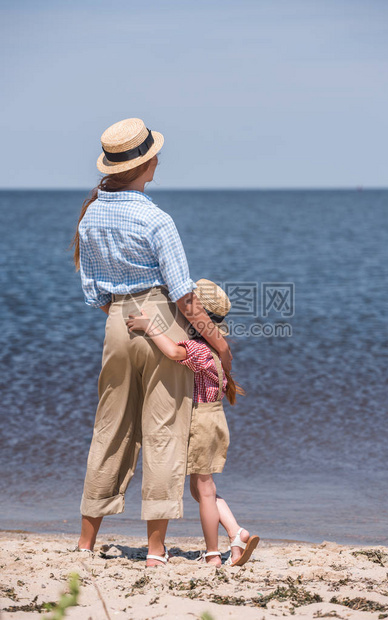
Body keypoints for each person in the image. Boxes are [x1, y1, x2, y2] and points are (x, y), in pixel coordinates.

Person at [70, 118, 232, 567]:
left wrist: (125, 318)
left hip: (118, 321)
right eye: (153, 154)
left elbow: (95, 293)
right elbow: (184, 295)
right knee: (163, 430)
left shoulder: (91, 215)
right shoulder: (156, 218)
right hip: (161, 314)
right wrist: (219, 345)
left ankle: (85, 542)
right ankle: (156, 552)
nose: (158, 159)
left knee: (110, 428)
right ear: (144, 164)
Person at [126, 279, 260, 567]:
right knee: (202, 489)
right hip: (214, 421)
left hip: (198, 421)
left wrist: (149, 327)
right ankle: (237, 533)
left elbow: (174, 353)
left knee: (205, 489)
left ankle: (213, 554)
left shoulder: (199, 349)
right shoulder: (218, 353)